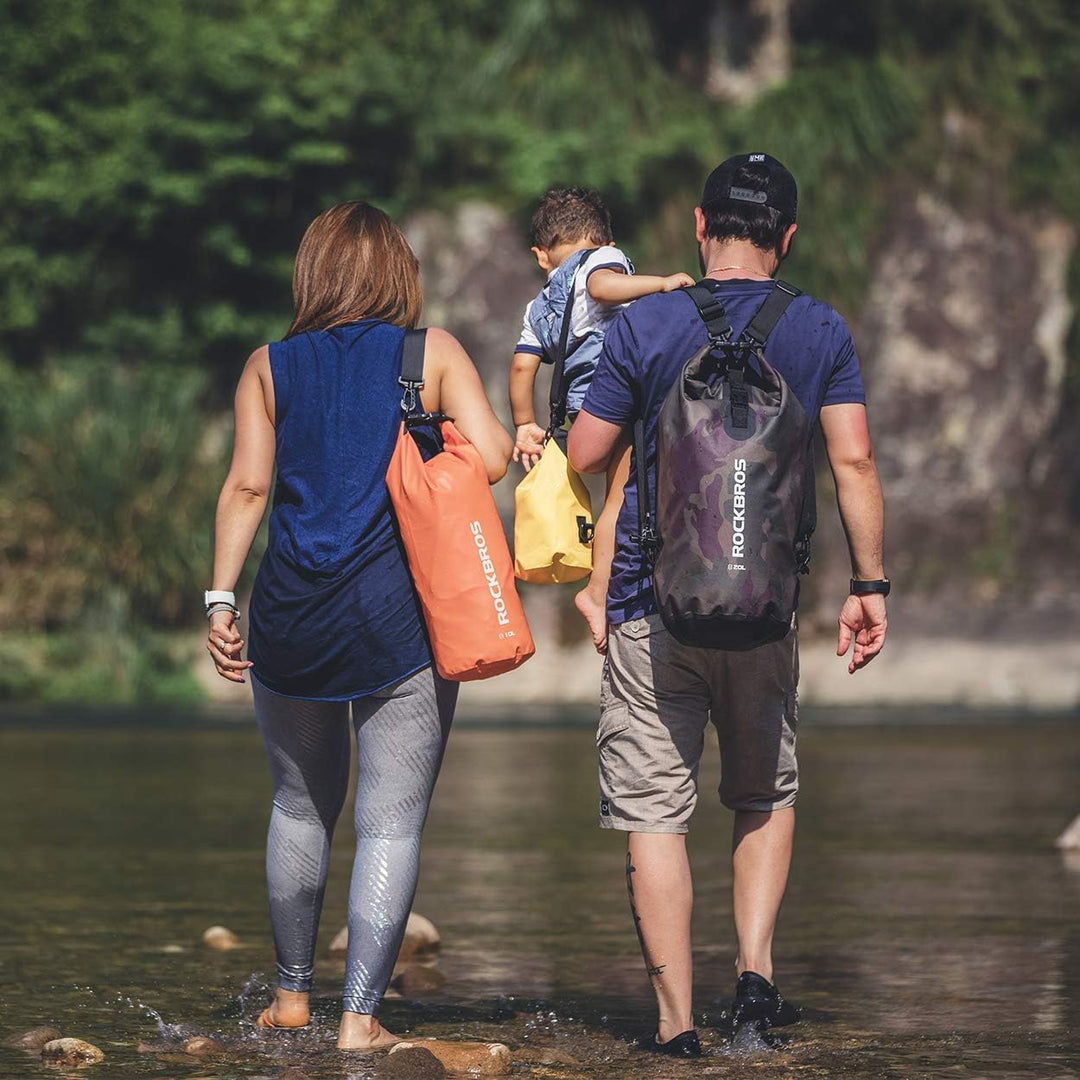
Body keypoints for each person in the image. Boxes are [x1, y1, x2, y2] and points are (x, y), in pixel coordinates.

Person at [568, 154, 888, 1056]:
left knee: (655, 812)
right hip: (764, 608)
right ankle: (755, 984)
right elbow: (854, 461)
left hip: (647, 604)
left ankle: (677, 1029)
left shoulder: (646, 322)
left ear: (701, 229)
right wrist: (869, 587)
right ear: (786, 239)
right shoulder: (820, 330)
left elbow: (591, 452)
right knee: (762, 792)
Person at [204, 201, 513, 1050]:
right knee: (389, 822)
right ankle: (361, 1023)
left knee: (299, 811)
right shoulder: (430, 353)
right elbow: (488, 458)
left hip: (289, 618)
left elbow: (246, 490)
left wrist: (221, 601)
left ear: (313, 274)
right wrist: (425, 422)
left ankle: (294, 997)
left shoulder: (269, 367)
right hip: (396, 623)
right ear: (397, 276)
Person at [508, 187, 693, 652]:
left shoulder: (538, 306)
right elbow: (602, 288)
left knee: (603, 499)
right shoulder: (602, 259)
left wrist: (525, 424)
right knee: (618, 501)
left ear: (541, 254)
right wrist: (662, 283)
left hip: (578, 414)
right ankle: (597, 592)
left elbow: (522, 366)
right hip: (615, 402)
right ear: (602, 238)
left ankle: (591, 582)